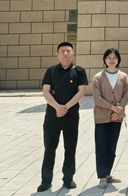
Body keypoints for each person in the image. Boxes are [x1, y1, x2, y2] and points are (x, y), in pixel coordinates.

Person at [37, 42, 88, 192]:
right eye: (62, 51)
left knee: (70, 148)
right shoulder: (51, 71)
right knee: (49, 149)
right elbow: (46, 91)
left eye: (68, 51)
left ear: (73, 53)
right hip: (52, 116)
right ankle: (46, 181)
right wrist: (57, 107)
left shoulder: (79, 71)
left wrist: (65, 107)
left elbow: (81, 92)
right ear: (57, 54)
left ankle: (68, 179)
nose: (65, 53)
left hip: (71, 116)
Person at [92, 48, 128, 189]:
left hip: (116, 118)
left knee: (112, 147)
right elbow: (97, 98)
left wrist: (118, 112)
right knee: (101, 147)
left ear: (118, 59)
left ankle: (108, 173)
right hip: (101, 117)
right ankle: (102, 176)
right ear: (105, 59)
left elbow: (126, 95)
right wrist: (113, 108)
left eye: (114, 57)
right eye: (109, 57)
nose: (112, 60)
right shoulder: (98, 77)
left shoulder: (123, 76)